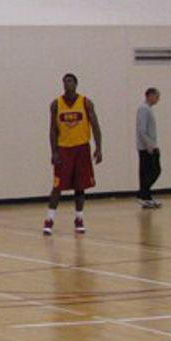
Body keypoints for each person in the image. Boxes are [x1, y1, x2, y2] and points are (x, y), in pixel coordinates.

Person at [44, 73, 102, 236]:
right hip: (64, 149)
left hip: (82, 147)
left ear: (76, 84)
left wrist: (99, 147)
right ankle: (49, 219)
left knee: (80, 186)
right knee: (57, 187)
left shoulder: (86, 102)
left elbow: (95, 126)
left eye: (70, 81)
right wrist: (54, 151)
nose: (67, 84)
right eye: (65, 81)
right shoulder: (56, 104)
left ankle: (79, 219)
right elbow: (53, 130)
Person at [136, 87, 162, 208]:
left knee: (148, 172)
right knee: (154, 171)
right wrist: (150, 146)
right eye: (157, 96)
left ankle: (146, 196)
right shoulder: (143, 109)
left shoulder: (147, 109)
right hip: (146, 148)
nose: (158, 99)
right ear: (150, 96)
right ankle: (142, 195)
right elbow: (142, 130)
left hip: (148, 146)